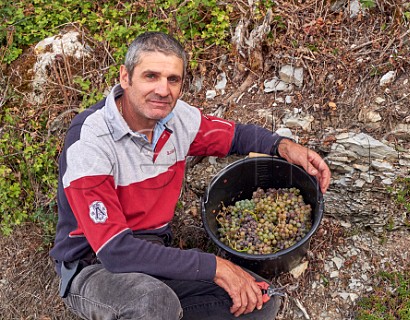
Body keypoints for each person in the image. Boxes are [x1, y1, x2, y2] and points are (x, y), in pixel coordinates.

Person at [50, 31, 331, 320]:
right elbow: (115, 251)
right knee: (153, 304)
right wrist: (215, 267)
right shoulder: (90, 139)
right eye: (151, 76)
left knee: (259, 299)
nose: (163, 90)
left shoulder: (177, 120)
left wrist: (284, 147)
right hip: (94, 266)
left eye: (173, 79)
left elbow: (236, 136)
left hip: (153, 254)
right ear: (125, 77)